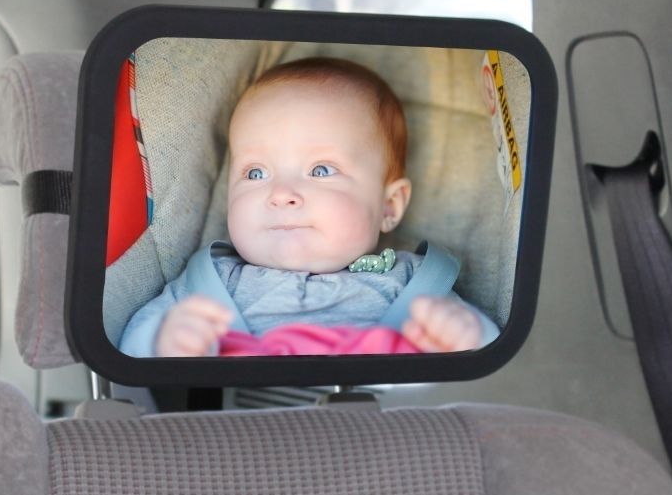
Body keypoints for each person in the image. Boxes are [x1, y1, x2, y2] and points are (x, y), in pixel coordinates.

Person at [119, 56, 500, 358]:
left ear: (389, 206)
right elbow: (129, 349)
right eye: (255, 173)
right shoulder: (212, 283)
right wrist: (166, 341)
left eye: (321, 170)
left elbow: (488, 356)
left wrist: (465, 335)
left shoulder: (412, 285)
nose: (281, 193)